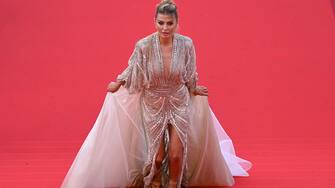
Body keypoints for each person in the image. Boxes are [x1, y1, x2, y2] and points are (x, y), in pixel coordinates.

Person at [61, 1, 252, 188]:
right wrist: (118, 82)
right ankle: (154, 181)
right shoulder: (144, 45)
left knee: (176, 155)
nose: (165, 28)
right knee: (158, 157)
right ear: (154, 21)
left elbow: (189, 70)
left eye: (170, 23)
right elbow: (133, 67)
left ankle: (172, 184)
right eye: (161, 22)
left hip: (178, 101)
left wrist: (194, 88)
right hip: (152, 103)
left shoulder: (187, 44)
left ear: (177, 22)